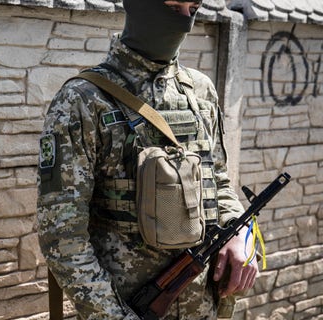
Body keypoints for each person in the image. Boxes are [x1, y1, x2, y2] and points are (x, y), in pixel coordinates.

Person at [36, 0, 257, 319]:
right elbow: (61, 234)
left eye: (192, 8)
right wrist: (114, 316)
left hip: (204, 307)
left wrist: (240, 234)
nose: (184, 21)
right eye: (172, 6)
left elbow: (219, 184)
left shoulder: (200, 92)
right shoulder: (84, 100)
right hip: (129, 308)